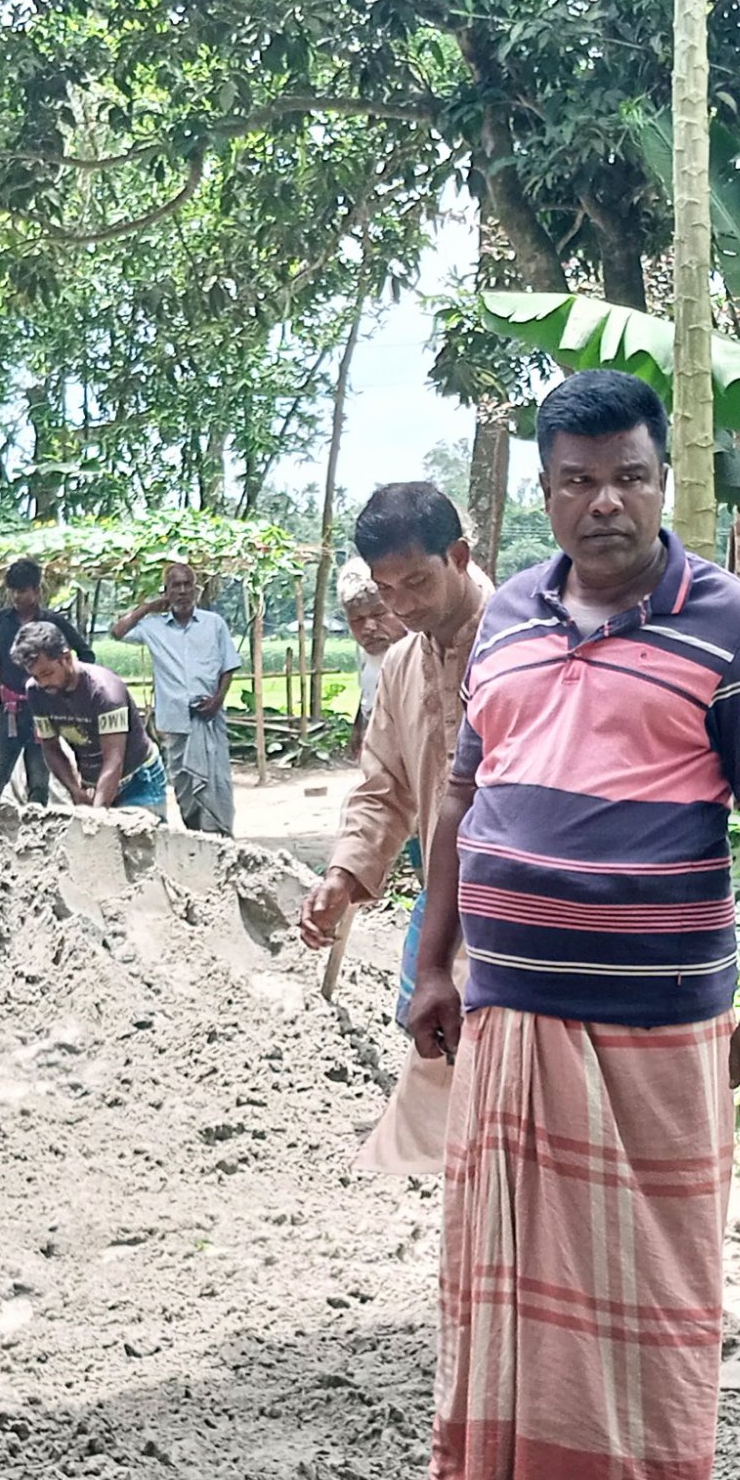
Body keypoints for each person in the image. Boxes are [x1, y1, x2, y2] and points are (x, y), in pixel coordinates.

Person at [398, 371, 740, 1480]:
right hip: (507, 1012)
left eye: (629, 476)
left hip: (656, 1024)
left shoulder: (737, 627)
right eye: (577, 481)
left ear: (661, 481)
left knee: (646, 1290)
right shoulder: (511, 618)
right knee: (499, 1271)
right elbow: (461, 802)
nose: (606, 504)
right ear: (543, 493)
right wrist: (432, 965)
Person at [300, 482, 491, 1174]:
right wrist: (344, 874)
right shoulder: (404, 665)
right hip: (451, 909)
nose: (403, 605)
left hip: (531, 913)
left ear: (460, 556)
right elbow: (384, 785)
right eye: (388, 590)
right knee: (442, 1069)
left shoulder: (525, 643)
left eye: (417, 581)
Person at [122, 558, 240, 834]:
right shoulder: (154, 627)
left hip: (209, 719)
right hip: (175, 721)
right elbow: (118, 631)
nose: (183, 591)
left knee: (215, 783)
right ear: (167, 590)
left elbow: (228, 665)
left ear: (196, 590)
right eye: (176, 585)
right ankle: (197, 838)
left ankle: (220, 838)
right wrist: (150, 607)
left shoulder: (214, 624)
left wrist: (218, 699)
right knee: (185, 788)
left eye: (188, 584)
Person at [0, 557, 82, 809]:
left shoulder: (53, 623)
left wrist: (68, 685)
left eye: (22, 590)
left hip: (44, 711)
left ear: (36, 591)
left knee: (39, 781)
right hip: (10, 709)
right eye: (13, 591)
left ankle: (37, 834)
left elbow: (85, 652)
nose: (17, 596)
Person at [19, 624, 169, 812]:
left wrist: (96, 816)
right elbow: (50, 747)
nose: (43, 683)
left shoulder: (104, 692)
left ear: (66, 658)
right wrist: (75, 790)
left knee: (137, 840)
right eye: (36, 676)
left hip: (138, 781)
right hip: (91, 783)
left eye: (47, 673)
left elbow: (114, 759)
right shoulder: (36, 692)